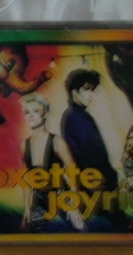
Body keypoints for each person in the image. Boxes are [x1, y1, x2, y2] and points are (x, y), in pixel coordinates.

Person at [20, 93, 87, 232]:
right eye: (27, 112)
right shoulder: (24, 145)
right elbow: (26, 181)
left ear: (45, 114)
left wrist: (73, 205)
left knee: (80, 229)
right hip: (40, 200)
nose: (30, 115)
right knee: (28, 231)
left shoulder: (57, 141)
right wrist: (26, 209)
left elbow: (73, 173)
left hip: (62, 196)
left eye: (35, 111)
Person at [60, 69, 119, 192]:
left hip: (88, 181)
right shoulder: (78, 118)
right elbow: (92, 154)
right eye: (86, 89)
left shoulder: (71, 115)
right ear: (74, 92)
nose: (91, 94)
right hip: (95, 181)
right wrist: (110, 177)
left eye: (92, 90)